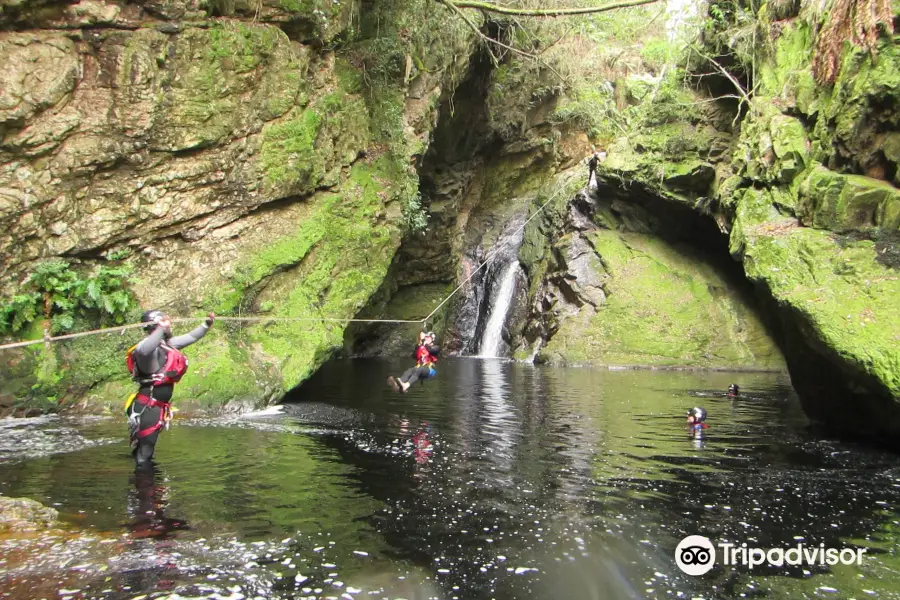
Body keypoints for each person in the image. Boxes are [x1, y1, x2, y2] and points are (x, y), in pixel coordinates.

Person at [125, 310, 214, 467]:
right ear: (157, 324)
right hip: (148, 406)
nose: (170, 326)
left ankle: (146, 485)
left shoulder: (166, 345)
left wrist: (206, 324)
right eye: (166, 324)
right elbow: (143, 350)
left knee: (145, 450)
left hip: (156, 407)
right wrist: (161, 328)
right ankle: (144, 488)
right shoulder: (147, 350)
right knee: (145, 453)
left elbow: (192, 336)